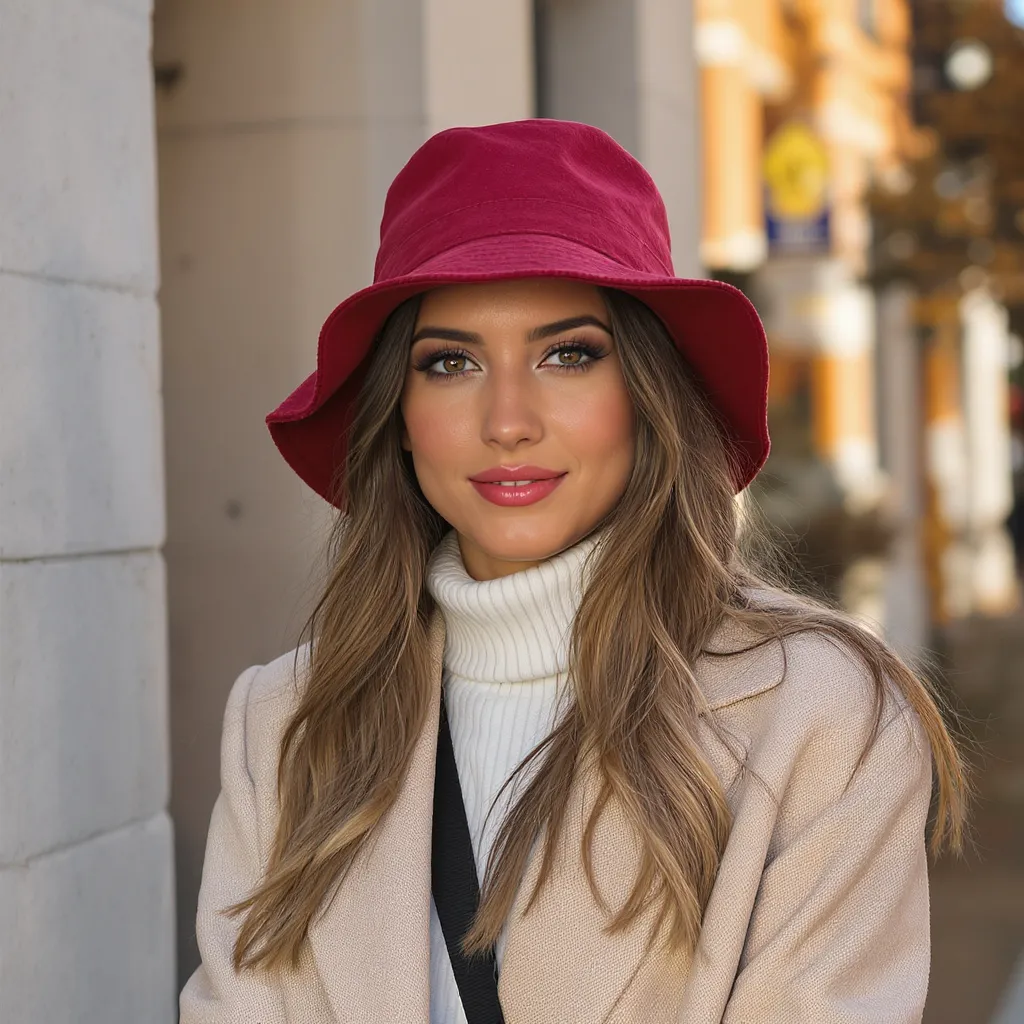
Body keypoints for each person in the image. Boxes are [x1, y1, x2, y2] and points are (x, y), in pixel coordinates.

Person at [179, 119, 968, 1024]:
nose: (507, 418)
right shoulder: (284, 727)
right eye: (450, 363)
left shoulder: (820, 713)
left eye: (568, 354)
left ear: (647, 394)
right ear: (397, 414)